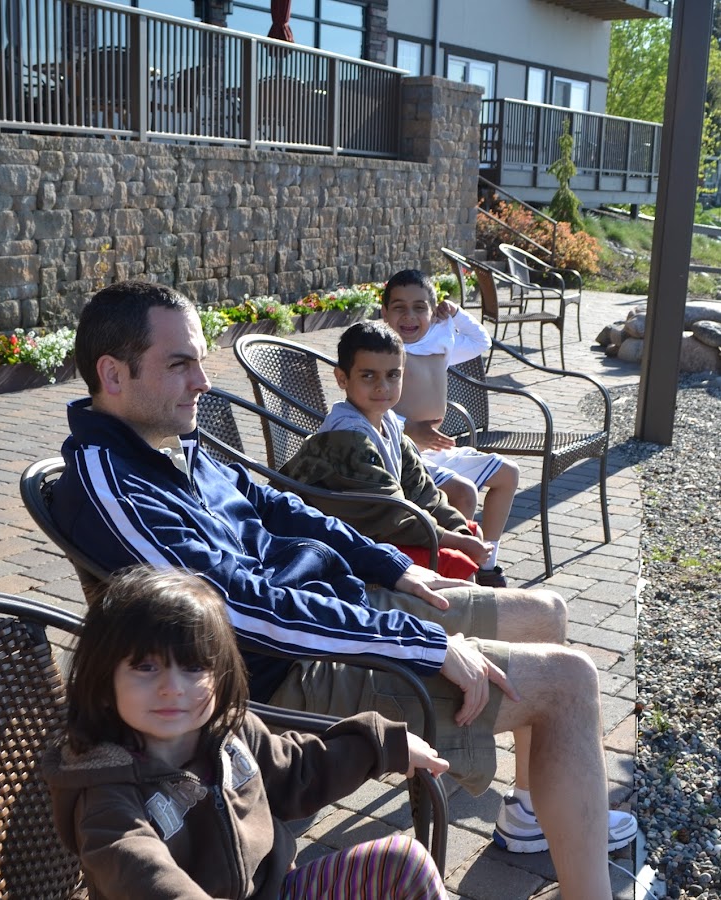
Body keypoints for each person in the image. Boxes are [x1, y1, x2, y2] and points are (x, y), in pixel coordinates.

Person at [50, 280, 636, 900]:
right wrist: (422, 643)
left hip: (331, 613)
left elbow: (278, 506)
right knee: (570, 682)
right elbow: (242, 612)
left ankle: (530, 816)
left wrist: (391, 566)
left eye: (199, 360)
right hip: (285, 672)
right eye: (180, 364)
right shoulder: (112, 485)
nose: (202, 381)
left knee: (546, 612)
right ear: (113, 374)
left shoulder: (168, 444)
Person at [43, 565, 449, 900]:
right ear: (105, 682)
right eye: (146, 667)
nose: (172, 687)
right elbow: (141, 871)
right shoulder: (104, 792)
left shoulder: (228, 732)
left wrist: (381, 747)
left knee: (404, 861)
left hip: (275, 889)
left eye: (193, 667)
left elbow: (298, 771)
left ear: (220, 675)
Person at [279, 319, 495, 583]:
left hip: (382, 529)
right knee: (457, 561)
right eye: (368, 375)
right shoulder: (347, 438)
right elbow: (391, 516)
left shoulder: (389, 421)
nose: (382, 386)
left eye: (393, 375)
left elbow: (421, 488)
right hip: (339, 541)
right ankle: (463, 608)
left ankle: (470, 601)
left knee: (471, 533)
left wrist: (460, 532)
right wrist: (457, 542)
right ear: (342, 378)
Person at [380, 269, 520, 589]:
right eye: (399, 307)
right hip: (402, 454)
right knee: (463, 491)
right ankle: (453, 576)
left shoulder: (440, 340)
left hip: (435, 450)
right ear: (384, 312)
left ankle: (486, 565)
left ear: (433, 311)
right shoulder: (383, 352)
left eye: (420, 307)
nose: (409, 316)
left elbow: (481, 341)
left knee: (507, 473)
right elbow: (369, 406)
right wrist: (407, 428)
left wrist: (456, 313)